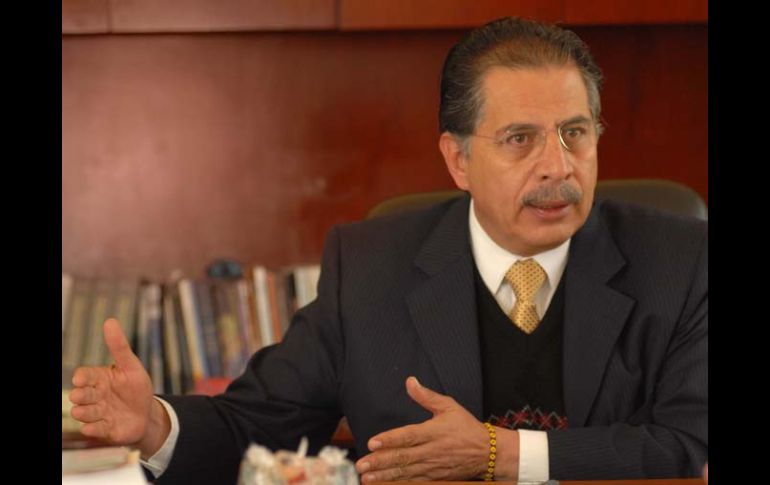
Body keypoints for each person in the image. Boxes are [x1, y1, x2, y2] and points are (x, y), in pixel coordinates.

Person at [68, 16, 707, 484]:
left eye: (575, 133)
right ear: (458, 159)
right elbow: (258, 424)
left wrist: (500, 453)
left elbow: (692, 447)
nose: (558, 166)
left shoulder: (681, 262)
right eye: (520, 139)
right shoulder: (371, 269)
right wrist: (154, 425)